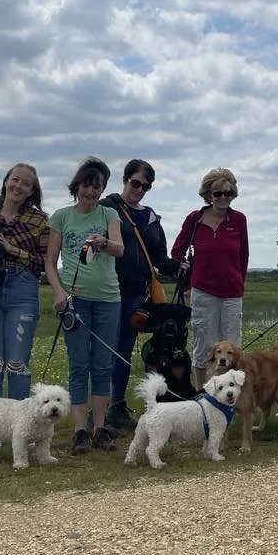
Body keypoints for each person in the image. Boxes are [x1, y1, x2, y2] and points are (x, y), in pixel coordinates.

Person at [44, 157, 125, 455]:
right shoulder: (61, 217)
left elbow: (120, 249)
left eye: (97, 187)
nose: (91, 192)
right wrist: (58, 292)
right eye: (86, 186)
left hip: (108, 299)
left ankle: (100, 427)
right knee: (79, 365)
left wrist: (103, 242)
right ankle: (79, 430)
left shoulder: (109, 213)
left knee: (102, 364)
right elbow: (50, 262)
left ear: (103, 189)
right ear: (76, 186)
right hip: (74, 300)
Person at [99, 159, 181, 431]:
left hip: (137, 294)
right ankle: (99, 410)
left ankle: (116, 406)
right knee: (103, 352)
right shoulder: (107, 207)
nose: (139, 189)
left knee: (123, 351)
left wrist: (178, 267)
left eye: (146, 186)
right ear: (125, 180)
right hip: (107, 289)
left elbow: (160, 259)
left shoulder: (151, 216)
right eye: (135, 183)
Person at [0, 163, 49, 402]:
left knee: (17, 362)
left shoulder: (40, 220)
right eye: (15, 180)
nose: (19, 186)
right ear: (6, 181)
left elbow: (46, 261)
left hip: (22, 289)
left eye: (26, 183)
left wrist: (13, 250)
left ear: (32, 190)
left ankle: (20, 425)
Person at [171, 167, 249, 390]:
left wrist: (239, 282)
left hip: (232, 292)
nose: (223, 197)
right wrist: (187, 285)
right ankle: (201, 393)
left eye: (228, 193)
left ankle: (230, 395)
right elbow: (177, 253)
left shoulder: (239, 220)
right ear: (208, 195)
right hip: (203, 291)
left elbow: (243, 256)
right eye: (218, 193)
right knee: (204, 344)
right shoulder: (195, 219)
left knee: (232, 346)